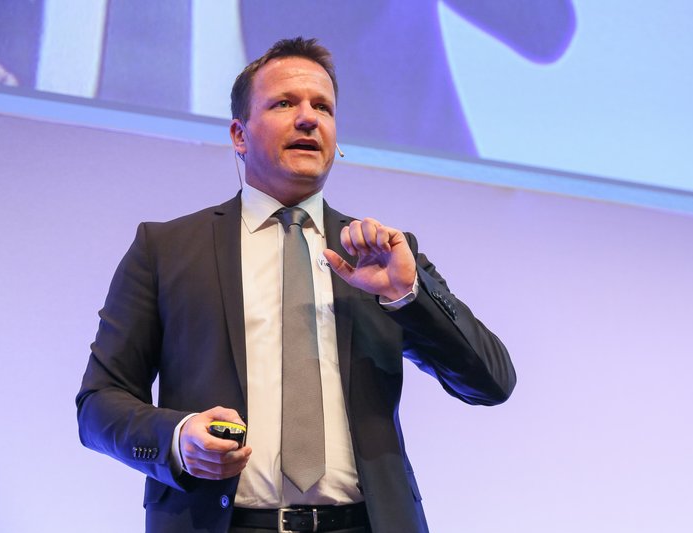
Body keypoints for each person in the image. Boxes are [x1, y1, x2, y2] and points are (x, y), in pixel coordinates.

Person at [76, 37, 516, 533]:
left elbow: (492, 383)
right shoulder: (166, 249)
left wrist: (407, 296)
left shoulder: (381, 253)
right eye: (284, 103)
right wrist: (176, 438)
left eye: (323, 107)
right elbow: (99, 404)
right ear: (239, 134)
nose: (308, 118)